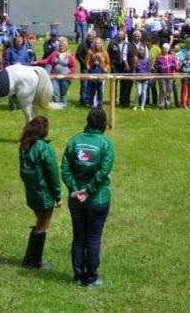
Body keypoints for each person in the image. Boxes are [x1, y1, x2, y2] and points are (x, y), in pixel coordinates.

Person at [61, 108, 115, 288]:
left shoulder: (74, 141)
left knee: (78, 237)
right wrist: (89, 191)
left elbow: (65, 168)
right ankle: (91, 278)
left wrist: (74, 189)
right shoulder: (105, 144)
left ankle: (78, 277)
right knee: (92, 238)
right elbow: (103, 172)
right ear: (103, 123)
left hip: (76, 199)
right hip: (97, 199)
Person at [19, 116, 62, 270]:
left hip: (31, 193)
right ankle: (33, 261)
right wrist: (58, 196)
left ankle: (29, 260)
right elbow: (53, 174)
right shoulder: (44, 148)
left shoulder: (24, 146)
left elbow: (22, 173)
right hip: (44, 194)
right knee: (42, 226)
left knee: (39, 223)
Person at [34, 37, 76, 107]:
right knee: (54, 91)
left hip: (65, 77)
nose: (61, 47)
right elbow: (47, 61)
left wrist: (70, 74)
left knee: (63, 92)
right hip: (54, 76)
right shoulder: (54, 54)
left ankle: (63, 104)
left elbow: (73, 66)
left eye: (63, 46)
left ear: (66, 47)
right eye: (60, 46)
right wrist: (37, 62)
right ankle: (56, 104)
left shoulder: (70, 55)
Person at [154, 43, 177, 109]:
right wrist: (160, 67)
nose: (165, 50)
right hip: (162, 76)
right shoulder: (159, 57)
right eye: (164, 48)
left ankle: (167, 103)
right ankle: (161, 104)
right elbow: (156, 66)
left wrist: (174, 66)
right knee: (163, 89)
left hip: (170, 76)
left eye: (166, 49)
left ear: (168, 49)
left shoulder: (172, 57)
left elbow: (176, 67)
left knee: (169, 89)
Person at [133, 45, 150, 110]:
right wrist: (134, 77)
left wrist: (149, 77)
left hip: (145, 78)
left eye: (142, 50)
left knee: (144, 92)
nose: (141, 51)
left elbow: (149, 70)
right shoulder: (136, 59)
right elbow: (134, 69)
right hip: (138, 78)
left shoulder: (146, 59)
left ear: (144, 51)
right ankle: (135, 105)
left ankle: (142, 106)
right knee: (138, 92)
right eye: (140, 49)